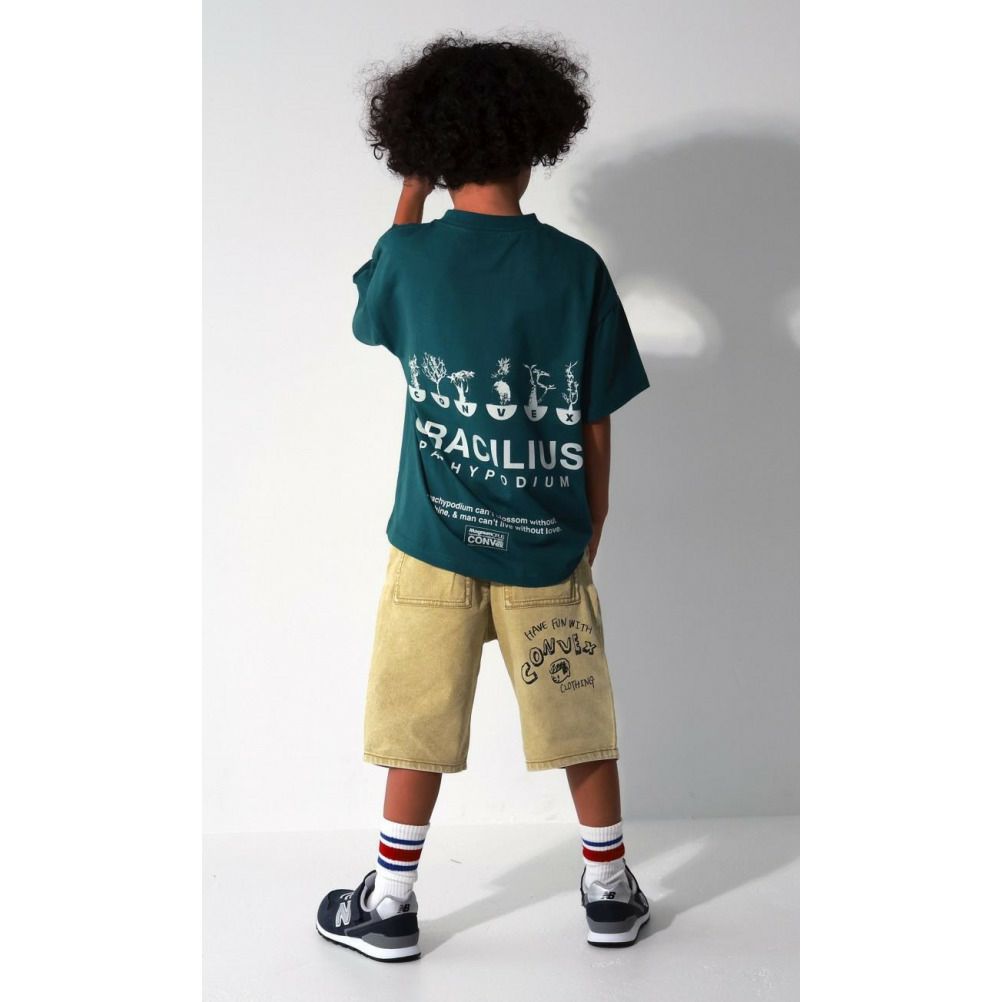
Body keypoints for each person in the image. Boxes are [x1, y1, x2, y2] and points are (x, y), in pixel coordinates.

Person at [316, 31, 652, 962]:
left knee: (415, 720)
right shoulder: (576, 269)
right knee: (577, 716)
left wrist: (410, 197)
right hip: (548, 543)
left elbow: (370, 313)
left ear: (428, 148)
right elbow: (593, 418)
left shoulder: (410, 258)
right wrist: (593, 519)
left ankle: (389, 902)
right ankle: (609, 891)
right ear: (538, 142)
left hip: (432, 542)